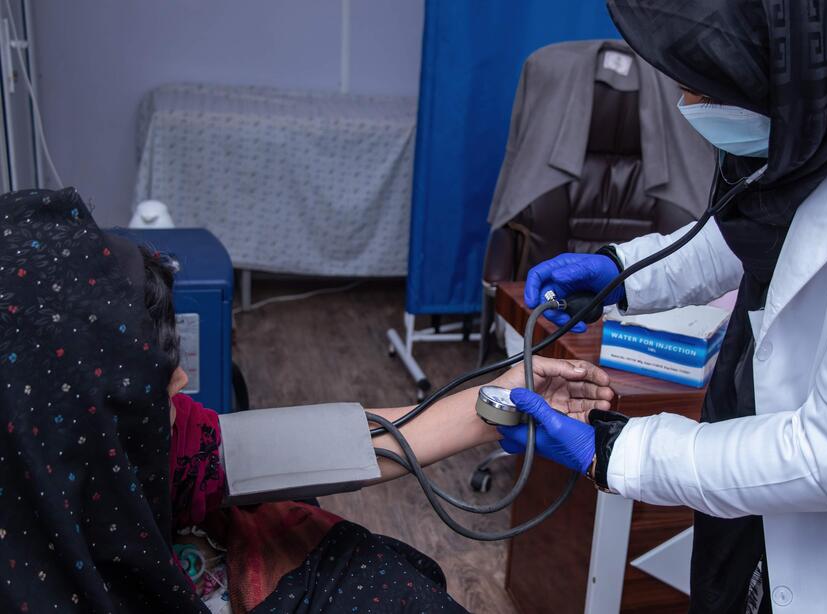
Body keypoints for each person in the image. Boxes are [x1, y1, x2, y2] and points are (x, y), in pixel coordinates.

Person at [500, 2, 827, 612]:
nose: (686, 103)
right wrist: (624, 273)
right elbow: (770, 224)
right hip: (775, 483)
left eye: (701, 83)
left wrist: (615, 451)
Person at [0, 188, 614, 613]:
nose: (184, 382)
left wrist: (501, 398)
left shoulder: (123, 440)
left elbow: (322, 447)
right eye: (154, 380)